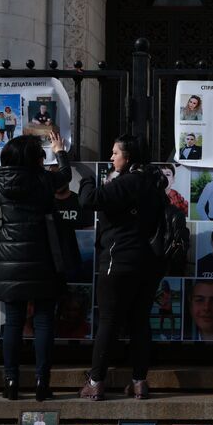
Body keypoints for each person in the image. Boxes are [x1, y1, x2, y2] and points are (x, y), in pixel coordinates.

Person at [79, 134, 168, 401]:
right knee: (140, 322)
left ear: (128, 157)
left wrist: (84, 177)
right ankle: (139, 382)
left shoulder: (129, 182)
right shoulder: (154, 184)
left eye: (115, 153)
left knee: (108, 321)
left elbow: (88, 199)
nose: (111, 157)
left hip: (118, 261)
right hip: (148, 263)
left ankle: (96, 382)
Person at [0, 132, 70, 401]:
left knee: (13, 323)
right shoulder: (43, 179)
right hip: (43, 257)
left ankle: (11, 382)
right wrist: (60, 151)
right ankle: (42, 383)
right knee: (44, 321)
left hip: (10, 261)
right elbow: (64, 176)